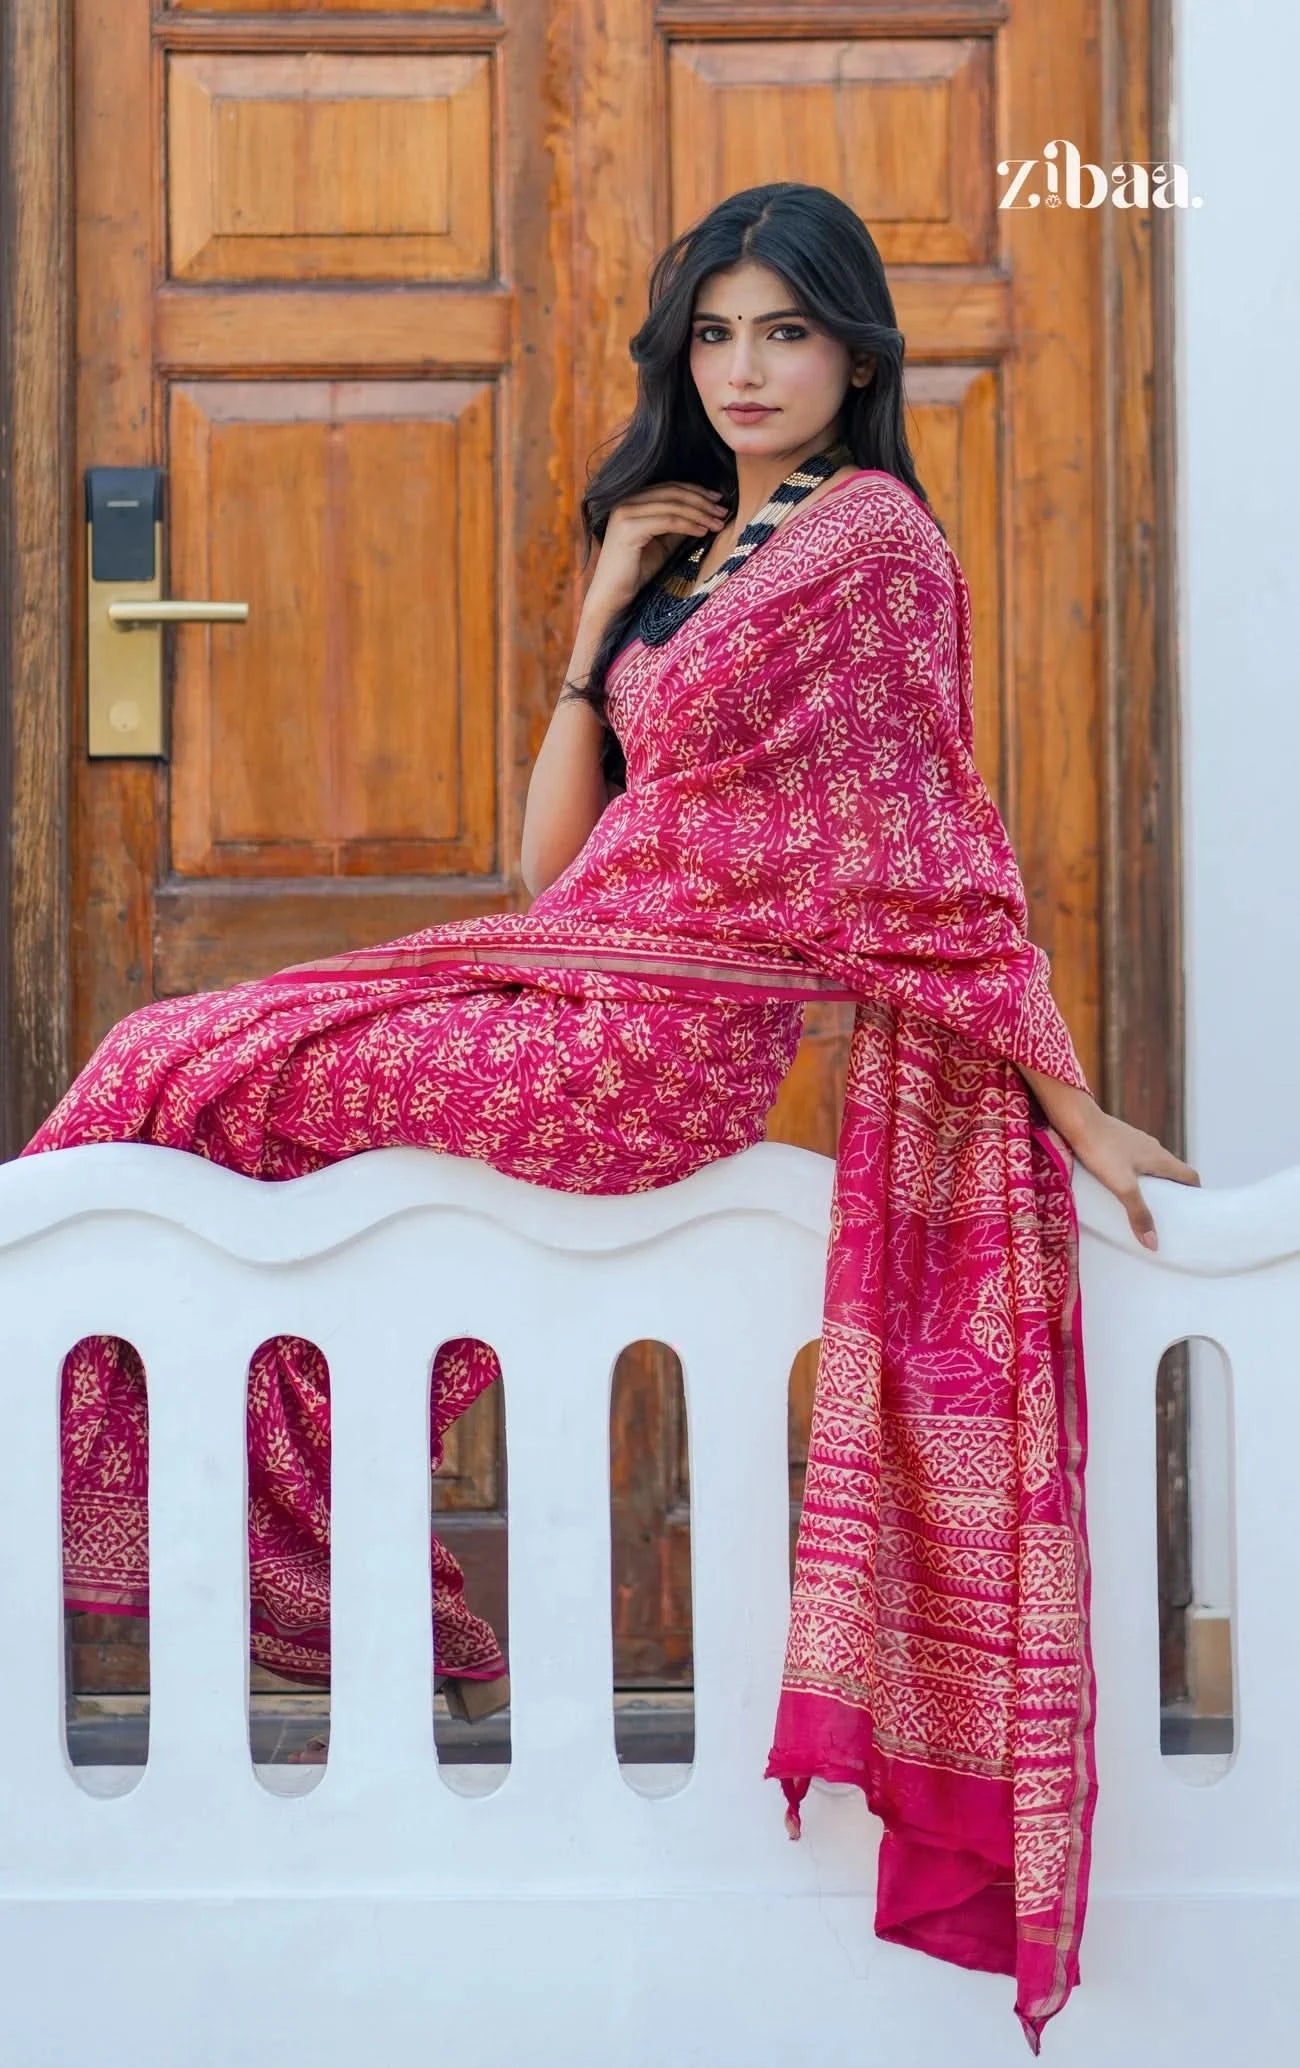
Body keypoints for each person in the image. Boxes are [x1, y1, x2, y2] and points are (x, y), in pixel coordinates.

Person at [20, 181, 1197, 2046]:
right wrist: (596, 619)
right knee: (178, 1082)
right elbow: (549, 863)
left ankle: (324, 1590)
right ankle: (349, 1598)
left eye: (786, 332)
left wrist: (1073, 1102)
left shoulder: (875, 546)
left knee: (192, 1070)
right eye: (715, 335)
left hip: (646, 1054)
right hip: (577, 974)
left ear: (857, 353)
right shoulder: (708, 546)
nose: (745, 370)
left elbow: (935, 856)